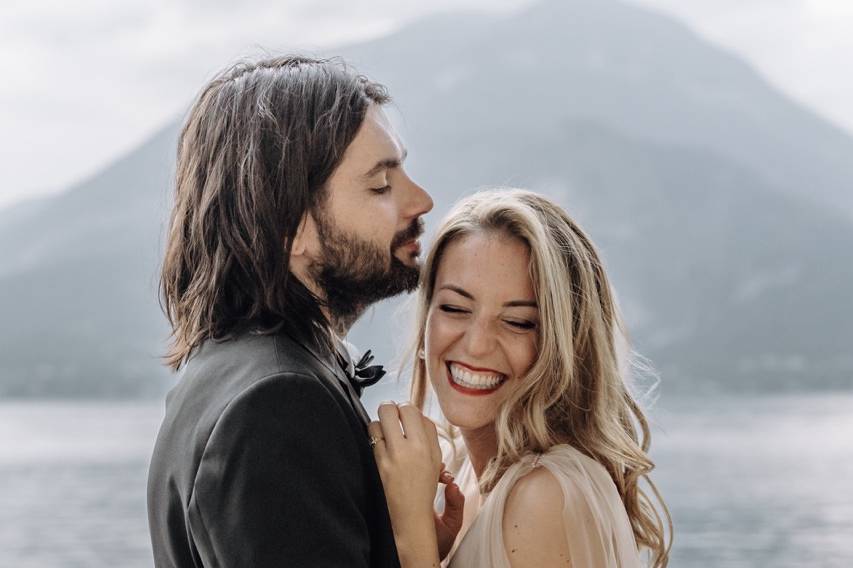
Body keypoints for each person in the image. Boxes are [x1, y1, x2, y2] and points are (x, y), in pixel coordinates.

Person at [147, 55, 452, 567]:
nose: (421, 200)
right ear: (292, 228)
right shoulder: (275, 405)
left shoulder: (232, 369)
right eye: (380, 184)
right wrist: (410, 536)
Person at [370, 189, 672, 567]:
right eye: (455, 308)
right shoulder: (463, 470)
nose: (477, 345)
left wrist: (411, 535)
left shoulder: (544, 497)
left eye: (517, 322)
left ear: (567, 345)